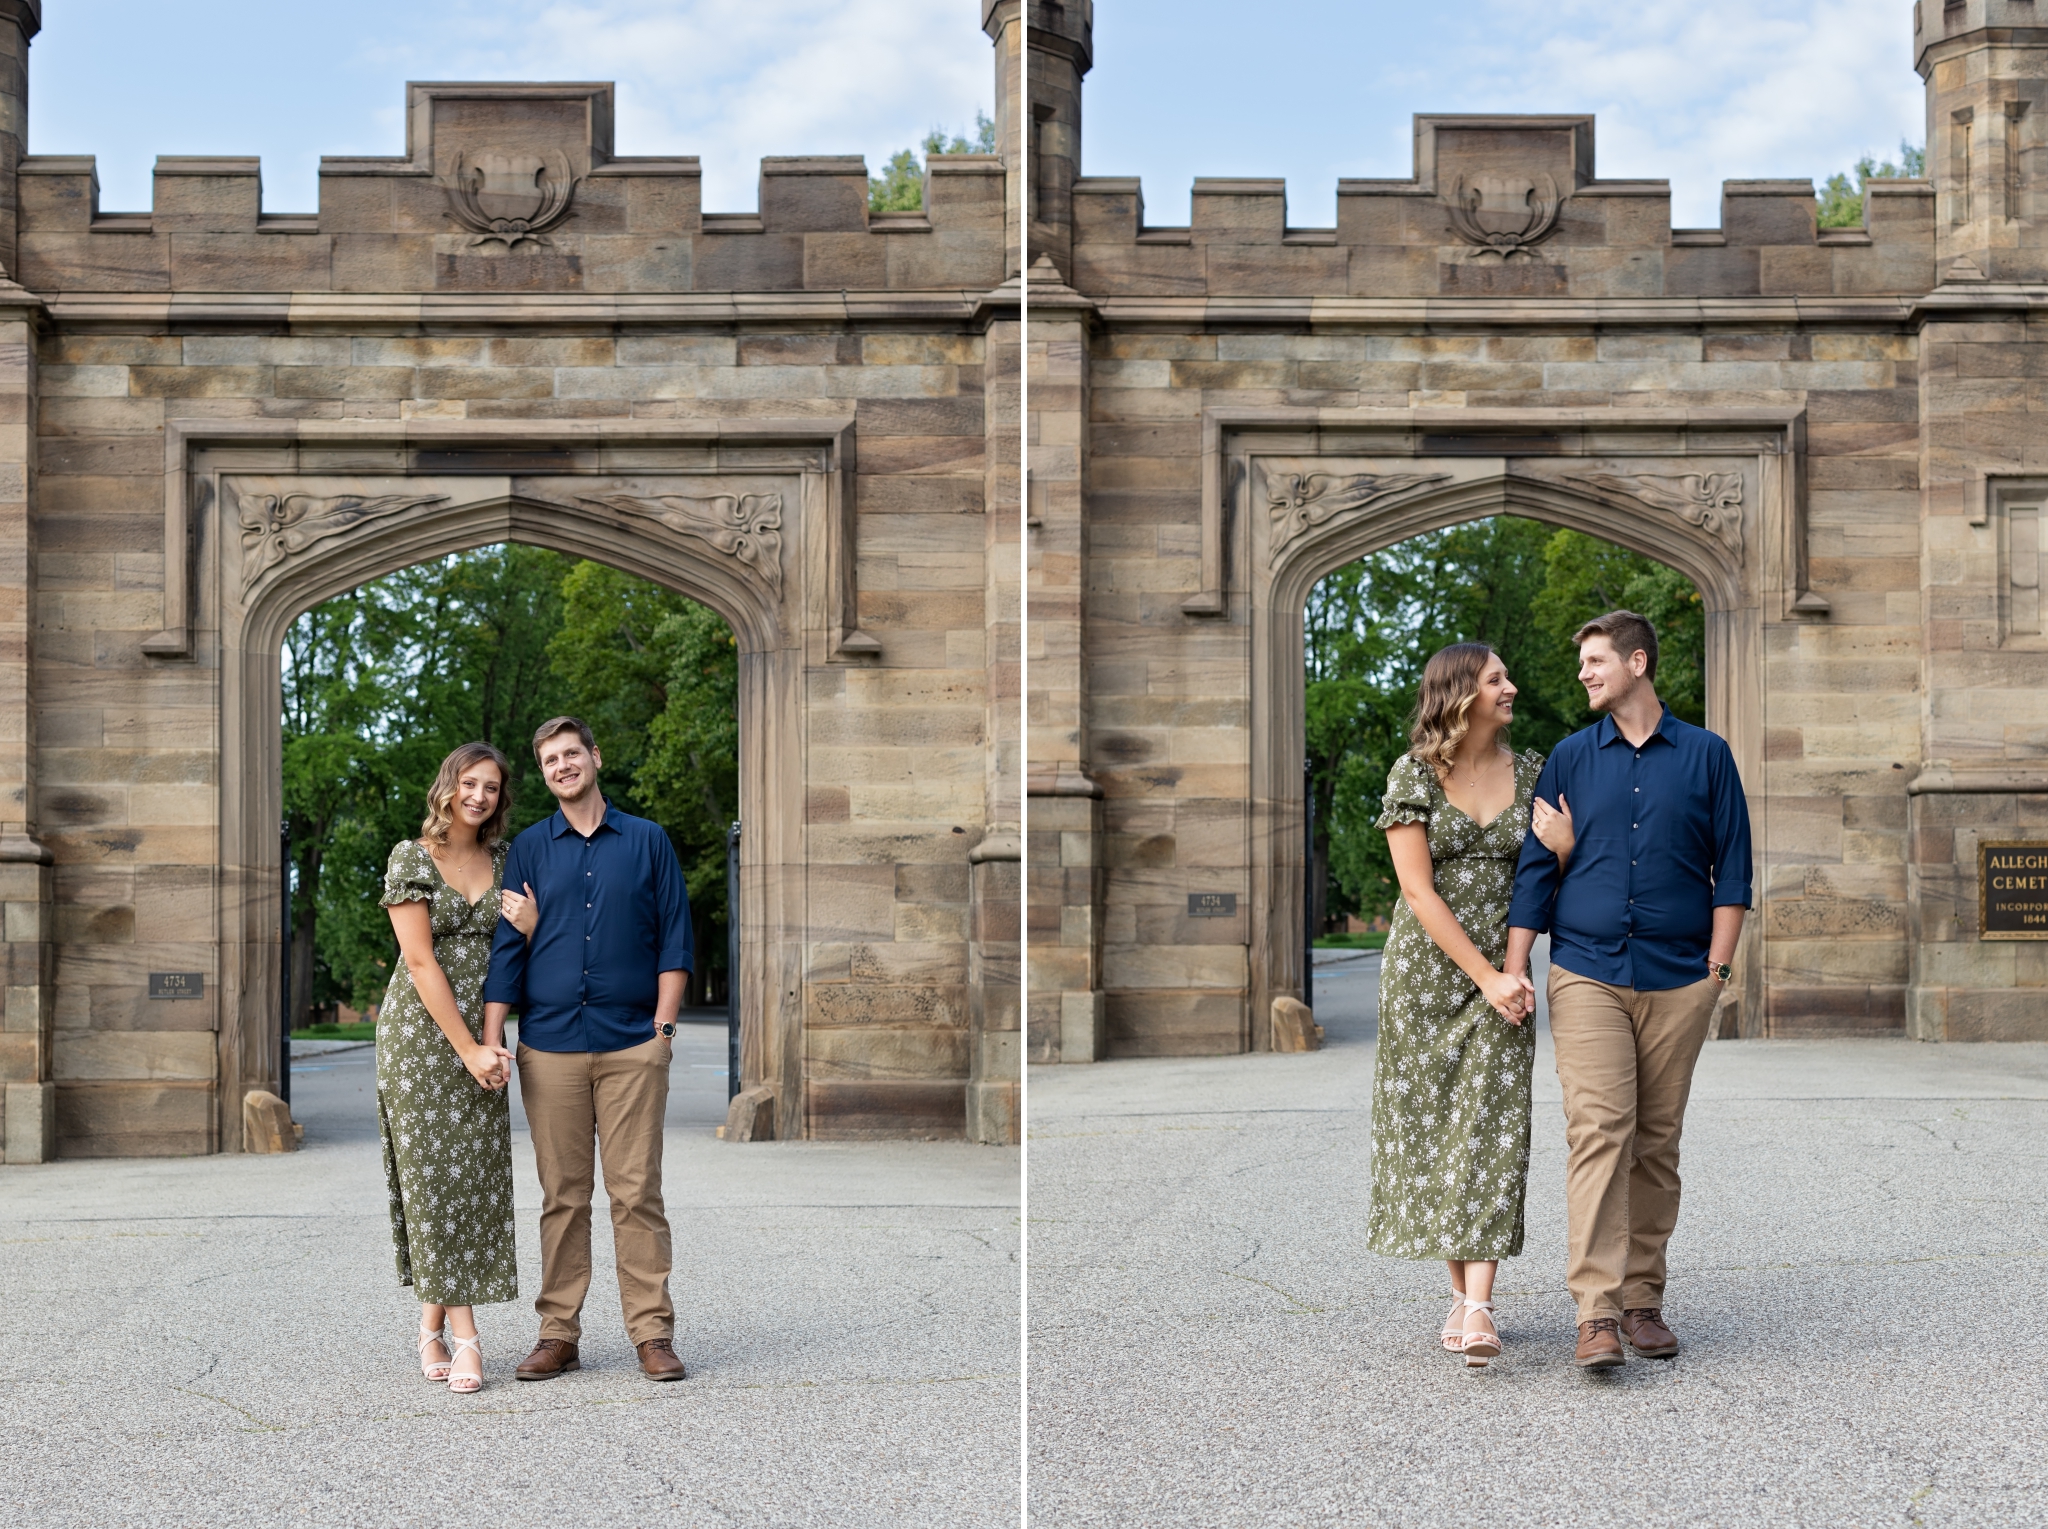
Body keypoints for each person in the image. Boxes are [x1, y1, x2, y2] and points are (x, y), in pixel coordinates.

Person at [1505, 610, 1751, 1370]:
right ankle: (1597, 1312)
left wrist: (1717, 971)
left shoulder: (1708, 756)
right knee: (1600, 1130)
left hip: (1682, 978)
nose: (1584, 672)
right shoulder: (1570, 760)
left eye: (1596, 659)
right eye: (1583, 661)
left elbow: (1734, 869)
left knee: (1656, 1142)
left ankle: (1645, 1300)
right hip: (1588, 970)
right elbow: (1536, 872)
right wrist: (1516, 968)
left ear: (1638, 661)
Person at [1367, 642, 1568, 1368]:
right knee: (1436, 1134)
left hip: (1505, 971)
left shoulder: (1538, 772)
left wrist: (1510, 972)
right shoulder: (1412, 774)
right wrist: (1481, 974)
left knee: (1493, 1125)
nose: (1511, 687)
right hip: (1429, 976)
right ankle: (1462, 1296)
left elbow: (1542, 878)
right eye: (1496, 679)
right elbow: (1417, 891)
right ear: (1460, 693)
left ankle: (1480, 1302)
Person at [484, 716, 695, 1383]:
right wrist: (492, 1037)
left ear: (595, 757)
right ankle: (558, 1332)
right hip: (549, 1047)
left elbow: (674, 940)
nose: (562, 765)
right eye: (549, 760)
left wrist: (663, 1031)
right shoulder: (528, 849)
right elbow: (508, 949)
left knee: (636, 1192)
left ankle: (652, 1333)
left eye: (571, 753)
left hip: (634, 1043)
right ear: (544, 773)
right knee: (563, 1195)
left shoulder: (649, 841)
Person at [376, 742, 520, 1396]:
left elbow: (511, 958)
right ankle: (467, 1337)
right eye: (470, 782)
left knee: (472, 1171)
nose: (479, 795)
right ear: (449, 785)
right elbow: (421, 963)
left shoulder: (506, 862)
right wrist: (466, 1049)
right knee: (434, 1176)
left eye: (491, 786)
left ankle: (428, 1325)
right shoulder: (413, 857)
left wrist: (491, 1043)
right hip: (422, 1037)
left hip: (480, 1035)